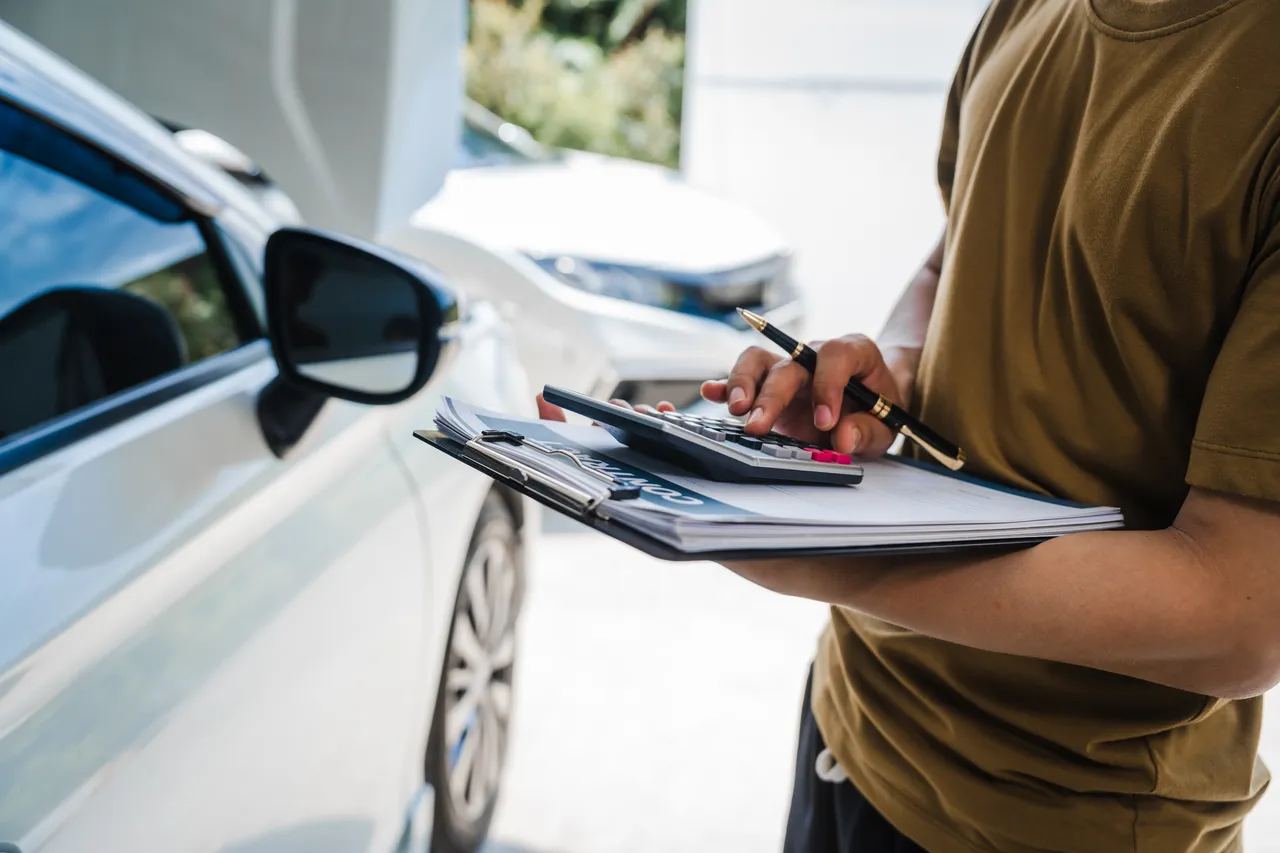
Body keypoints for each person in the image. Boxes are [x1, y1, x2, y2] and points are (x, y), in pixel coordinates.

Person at [540, 0, 1280, 850]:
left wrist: (823, 553)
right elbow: (950, 257)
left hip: (1056, 816)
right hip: (850, 723)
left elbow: (1240, 616)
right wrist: (887, 372)